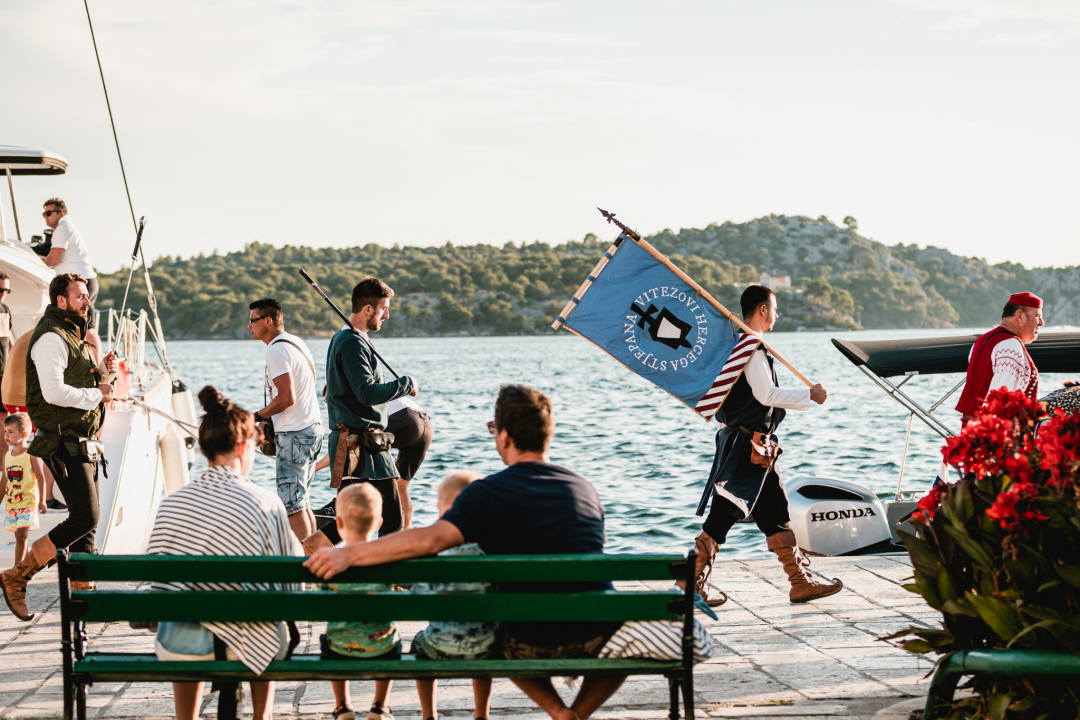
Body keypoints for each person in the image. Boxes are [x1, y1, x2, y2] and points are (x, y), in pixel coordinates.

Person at [306, 385, 626, 720]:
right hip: (598, 634)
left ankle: (559, 711)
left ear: (503, 437)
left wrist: (348, 554)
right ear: (547, 435)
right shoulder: (584, 489)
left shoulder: (489, 492)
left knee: (496, 639)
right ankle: (575, 712)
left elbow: (429, 541)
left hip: (527, 639)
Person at [149, 386, 301, 720]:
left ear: (203, 449)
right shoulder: (266, 503)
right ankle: (262, 717)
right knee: (266, 616)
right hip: (252, 643)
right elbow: (290, 584)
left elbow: (159, 589)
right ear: (244, 446)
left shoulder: (172, 504)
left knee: (180, 619)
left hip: (182, 646)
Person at [691, 285, 841, 606]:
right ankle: (687, 584)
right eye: (774, 308)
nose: (777, 314)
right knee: (724, 514)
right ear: (762, 310)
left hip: (758, 449)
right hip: (749, 448)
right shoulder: (750, 347)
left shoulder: (742, 345)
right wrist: (808, 396)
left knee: (775, 510)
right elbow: (766, 395)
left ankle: (799, 582)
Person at [0, 273, 118, 621]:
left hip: (82, 440)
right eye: (79, 296)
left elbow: (81, 384)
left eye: (87, 295)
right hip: (62, 441)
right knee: (86, 516)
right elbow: (53, 393)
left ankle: (84, 597)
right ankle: (18, 576)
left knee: (87, 526)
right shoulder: (51, 337)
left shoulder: (73, 333)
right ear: (60, 300)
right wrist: (99, 392)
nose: (87, 300)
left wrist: (103, 375)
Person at [303, 278, 417, 553]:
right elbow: (366, 393)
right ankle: (390, 582)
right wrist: (406, 384)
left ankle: (307, 551)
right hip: (360, 446)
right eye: (383, 308)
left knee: (350, 522)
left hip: (358, 443)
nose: (386, 315)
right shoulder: (351, 342)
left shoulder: (347, 339)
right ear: (368, 309)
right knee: (391, 518)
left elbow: (337, 390)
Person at [412, 471, 495, 720]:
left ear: (445, 511)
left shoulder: (433, 556)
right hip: (485, 647)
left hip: (438, 645)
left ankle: (429, 715)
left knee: (418, 644)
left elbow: (418, 597)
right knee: (486, 636)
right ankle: (481, 714)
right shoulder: (490, 553)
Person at [319, 483, 399, 720]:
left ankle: (342, 705)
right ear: (379, 524)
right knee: (392, 638)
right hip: (381, 648)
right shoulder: (385, 561)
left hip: (339, 649)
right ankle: (380, 706)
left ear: (339, 524)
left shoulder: (331, 563)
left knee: (327, 639)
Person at [248, 298, 326, 542]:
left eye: (253, 320)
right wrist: (267, 422)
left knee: (291, 505)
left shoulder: (275, 349)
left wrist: (255, 416)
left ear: (268, 321)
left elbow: (287, 397)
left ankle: (302, 567)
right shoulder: (295, 343)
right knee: (301, 503)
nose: (249, 325)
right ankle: (316, 560)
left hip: (295, 435)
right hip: (312, 430)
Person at [956, 292, 1044, 422]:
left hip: (975, 430)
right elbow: (1001, 402)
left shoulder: (981, 340)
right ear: (1019, 316)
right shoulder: (1011, 346)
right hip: (997, 434)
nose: (1042, 322)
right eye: (1037, 316)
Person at [0, 333, 62, 509]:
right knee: (54, 437)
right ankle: (47, 496)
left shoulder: (32, 334)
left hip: (9, 395)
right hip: (21, 399)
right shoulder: (50, 337)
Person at [41, 199, 101, 355]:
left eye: (48, 213)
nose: (45, 217)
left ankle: (95, 365)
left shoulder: (62, 228)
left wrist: (38, 261)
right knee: (84, 327)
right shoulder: (66, 228)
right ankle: (88, 362)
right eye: (44, 213)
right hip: (83, 282)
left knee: (87, 328)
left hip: (80, 285)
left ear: (61, 214)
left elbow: (53, 260)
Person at [2, 413, 47, 568]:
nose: (6, 435)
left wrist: (42, 500)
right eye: (5, 431)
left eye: (10, 431)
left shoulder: (31, 454)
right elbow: (4, 481)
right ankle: (27, 567)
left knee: (21, 536)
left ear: (24, 435)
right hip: (12, 504)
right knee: (20, 538)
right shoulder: (7, 456)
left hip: (28, 502)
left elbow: (40, 477)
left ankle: (16, 571)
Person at [0, 273, 12, 435]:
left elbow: (9, 338)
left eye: (7, 290)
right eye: (0, 289)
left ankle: (3, 461)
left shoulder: (5, 310)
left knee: (5, 418)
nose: (3, 293)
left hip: (3, 374)